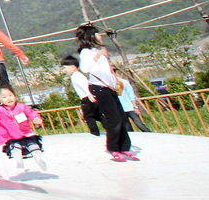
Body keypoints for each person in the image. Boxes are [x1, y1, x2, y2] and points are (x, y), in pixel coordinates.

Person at [71, 25, 136, 162]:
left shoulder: (95, 50)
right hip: (99, 88)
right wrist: (98, 55)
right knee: (114, 119)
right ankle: (113, 147)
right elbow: (85, 67)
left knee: (122, 118)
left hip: (108, 88)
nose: (100, 36)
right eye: (97, 34)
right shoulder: (86, 52)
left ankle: (124, 146)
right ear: (91, 36)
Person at [0, 87, 46, 172]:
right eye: (4, 97)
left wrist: (36, 119)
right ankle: (19, 164)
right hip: (13, 136)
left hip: (27, 133)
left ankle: (39, 160)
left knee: (35, 148)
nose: (8, 98)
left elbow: (31, 113)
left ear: (14, 96)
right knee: (16, 149)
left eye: (10, 95)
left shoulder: (21, 107)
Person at [60, 54, 102, 136]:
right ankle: (108, 128)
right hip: (88, 96)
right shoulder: (76, 75)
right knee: (98, 115)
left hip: (86, 98)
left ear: (73, 67)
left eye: (65, 68)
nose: (65, 70)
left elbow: (84, 85)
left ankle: (95, 133)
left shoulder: (76, 76)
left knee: (89, 116)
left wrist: (89, 94)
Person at [115, 66, 151, 133]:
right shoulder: (110, 84)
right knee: (127, 127)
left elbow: (131, 94)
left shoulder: (123, 82)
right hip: (120, 108)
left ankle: (150, 134)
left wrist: (135, 106)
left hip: (129, 107)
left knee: (140, 125)